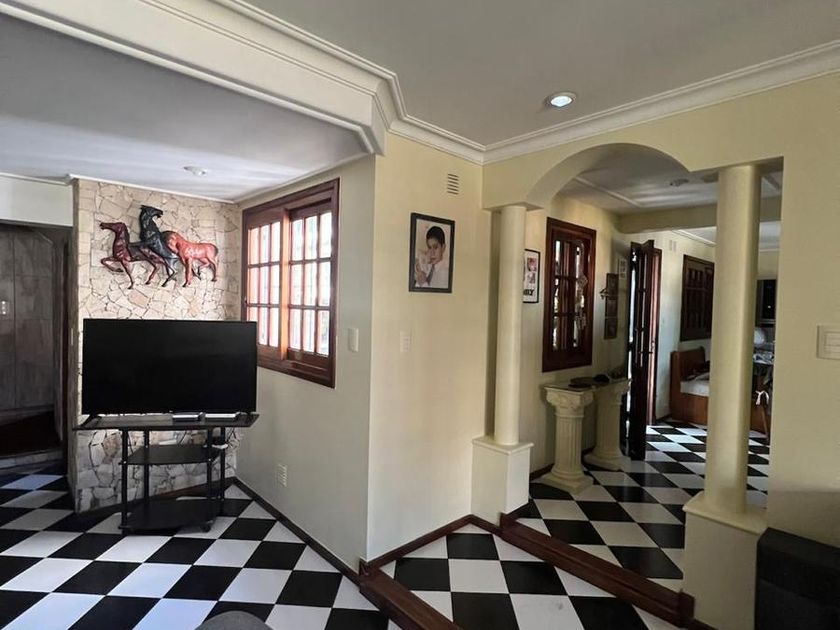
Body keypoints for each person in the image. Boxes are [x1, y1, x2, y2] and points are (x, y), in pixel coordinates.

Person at [414, 225, 449, 289]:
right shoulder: (427, 267)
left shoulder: (446, 273)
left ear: (443, 248)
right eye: (429, 248)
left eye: (435, 247)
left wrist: (423, 283)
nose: (432, 253)